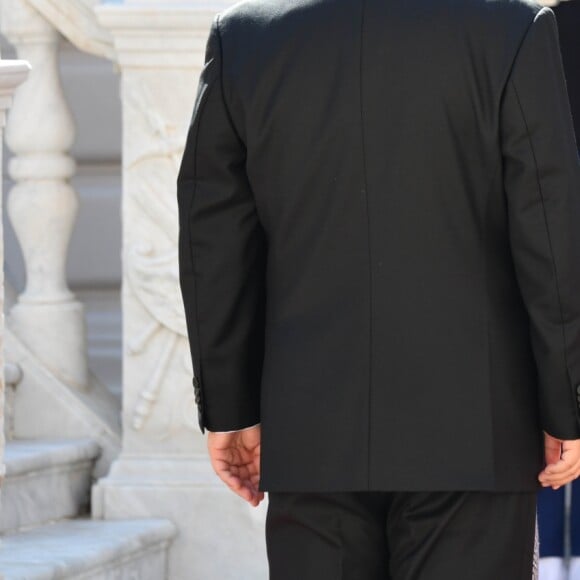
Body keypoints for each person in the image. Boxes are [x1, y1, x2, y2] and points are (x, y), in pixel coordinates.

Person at [176, 0, 580, 577]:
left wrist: (230, 409)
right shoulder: (511, 28)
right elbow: (551, 229)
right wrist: (566, 408)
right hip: (475, 436)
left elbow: (210, 241)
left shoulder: (243, 37)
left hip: (312, 436)